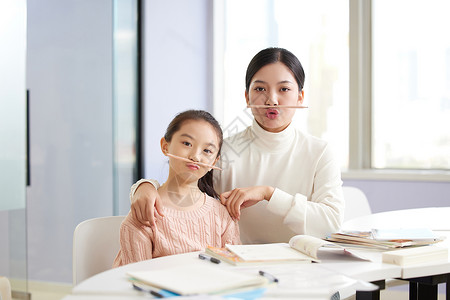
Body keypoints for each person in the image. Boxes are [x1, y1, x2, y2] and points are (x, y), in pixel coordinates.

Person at [129, 47, 344, 244]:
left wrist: (268, 193)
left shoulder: (320, 152)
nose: (272, 100)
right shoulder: (224, 152)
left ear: (300, 97)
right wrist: (143, 187)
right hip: (237, 269)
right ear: (246, 96)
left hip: (304, 270)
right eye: (260, 88)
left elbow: (331, 223)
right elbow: (179, 188)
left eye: (284, 89)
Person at [113, 110, 240, 267]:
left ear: (214, 162)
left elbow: (235, 274)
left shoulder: (222, 216)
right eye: (187, 144)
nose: (196, 156)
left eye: (207, 151)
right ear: (165, 146)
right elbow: (136, 279)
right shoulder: (145, 212)